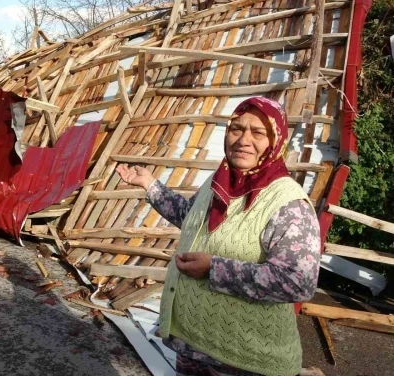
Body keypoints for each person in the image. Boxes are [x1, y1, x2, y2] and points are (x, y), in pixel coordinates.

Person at [117, 97, 321, 376]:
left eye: (258, 132)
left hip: (245, 359)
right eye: (236, 129)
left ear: (276, 141)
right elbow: (191, 219)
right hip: (193, 344)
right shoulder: (220, 182)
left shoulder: (288, 203)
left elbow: (298, 283)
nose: (243, 140)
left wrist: (214, 269)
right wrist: (150, 185)